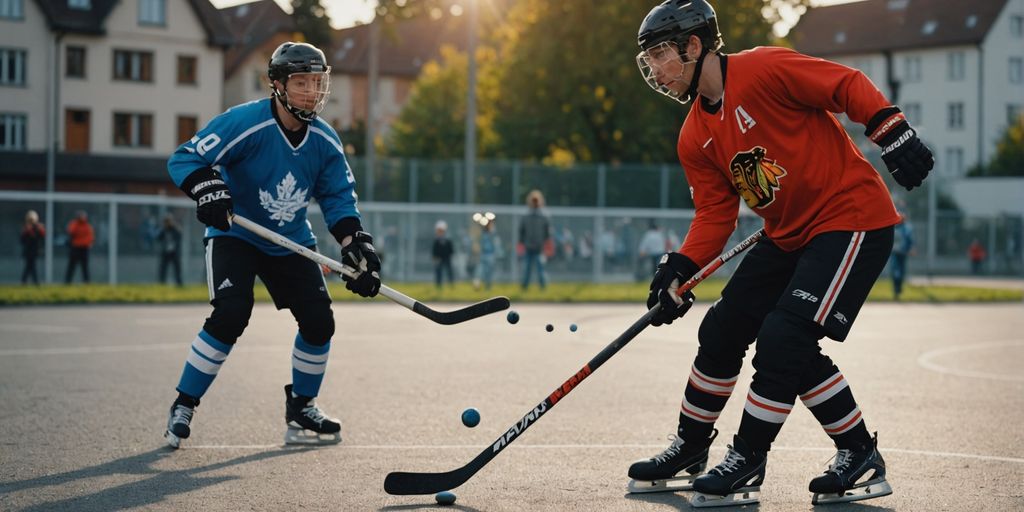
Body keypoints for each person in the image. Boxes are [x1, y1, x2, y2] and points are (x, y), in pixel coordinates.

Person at [627, 0, 933, 506]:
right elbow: (714, 216)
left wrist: (889, 127)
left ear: (695, 45)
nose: (655, 68)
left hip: (850, 220)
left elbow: (846, 84)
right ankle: (692, 444)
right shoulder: (693, 137)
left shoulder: (763, 68)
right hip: (787, 235)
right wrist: (681, 268)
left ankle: (749, 457)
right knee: (723, 329)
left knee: (783, 337)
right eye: (651, 57)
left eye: (661, 53)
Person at [163, 42, 381, 449]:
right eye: (301, 83)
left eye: (316, 82)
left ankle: (301, 407)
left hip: (290, 241)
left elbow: (337, 198)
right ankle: (184, 403)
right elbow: (185, 158)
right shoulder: (245, 122)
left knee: (319, 323)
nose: (311, 92)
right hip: (236, 235)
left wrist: (355, 244)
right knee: (231, 314)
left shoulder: (324, 140)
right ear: (277, 85)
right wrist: (208, 188)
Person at [519, 189, 551, 290]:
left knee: (540, 268)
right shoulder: (526, 215)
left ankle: (543, 286)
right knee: (527, 268)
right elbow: (521, 230)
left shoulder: (544, 216)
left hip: (539, 247)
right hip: (528, 246)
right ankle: (524, 287)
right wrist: (522, 241)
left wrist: (545, 242)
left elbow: (547, 232)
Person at [64, 210, 94, 284]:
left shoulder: (87, 226)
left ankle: (87, 282)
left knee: (85, 267)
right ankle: (68, 282)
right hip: (75, 248)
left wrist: (88, 243)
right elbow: (70, 231)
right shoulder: (74, 224)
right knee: (71, 266)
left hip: (84, 248)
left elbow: (91, 237)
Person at [156, 214, 184, 286]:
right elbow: (159, 238)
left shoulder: (175, 229)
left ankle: (179, 283)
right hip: (166, 252)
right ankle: (162, 283)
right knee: (163, 268)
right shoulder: (164, 230)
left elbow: (179, 237)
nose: (167, 223)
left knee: (177, 269)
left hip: (174, 253)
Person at [475, 216, 502, 290]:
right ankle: (477, 283)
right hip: (483, 254)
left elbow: (496, 243)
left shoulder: (493, 233)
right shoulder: (483, 232)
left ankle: (488, 287)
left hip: (491, 255)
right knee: (479, 270)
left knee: (489, 272)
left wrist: (498, 254)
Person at [890, 216, 913, 300]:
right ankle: (896, 290)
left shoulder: (907, 228)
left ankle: (898, 289)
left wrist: (911, 248)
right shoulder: (893, 227)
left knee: (902, 271)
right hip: (894, 253)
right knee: (896, 272)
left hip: (903, 253)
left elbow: (910, 239)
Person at [20, 210, 46, 285]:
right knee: (30, 266)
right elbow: (22, 240)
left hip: (34, 250)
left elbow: (42, 237)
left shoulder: (37, 228)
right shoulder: (26, 228)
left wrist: (40, 229)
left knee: (30, 266)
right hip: (28, 250)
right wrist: (27, 231)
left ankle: (25, 281)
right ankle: (34, 282)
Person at [432, 220, 455, 288]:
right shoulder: (436, 240)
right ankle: (438, 285)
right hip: (439, 258)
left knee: (449, 271)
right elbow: (434, 250)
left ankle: (451, 284)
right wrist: (435, 257)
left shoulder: (447, 240)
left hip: (447, 258)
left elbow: (451, 249)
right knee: (438, 272)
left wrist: (450, 255)